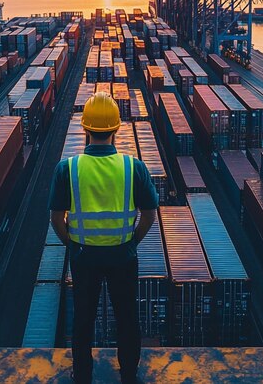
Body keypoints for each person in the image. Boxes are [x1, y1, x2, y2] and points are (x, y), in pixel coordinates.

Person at [49, 92, 158, 384]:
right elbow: (149, 215)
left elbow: (56, 219)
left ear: (85, 129)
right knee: (127, 318)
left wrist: (73, 246)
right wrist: (131, 242)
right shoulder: (132, 167)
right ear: (116, 129)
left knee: (83, 320)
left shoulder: (67, 169)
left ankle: (83, 375)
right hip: (123, 255)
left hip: (84, 257)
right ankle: (129, 375)